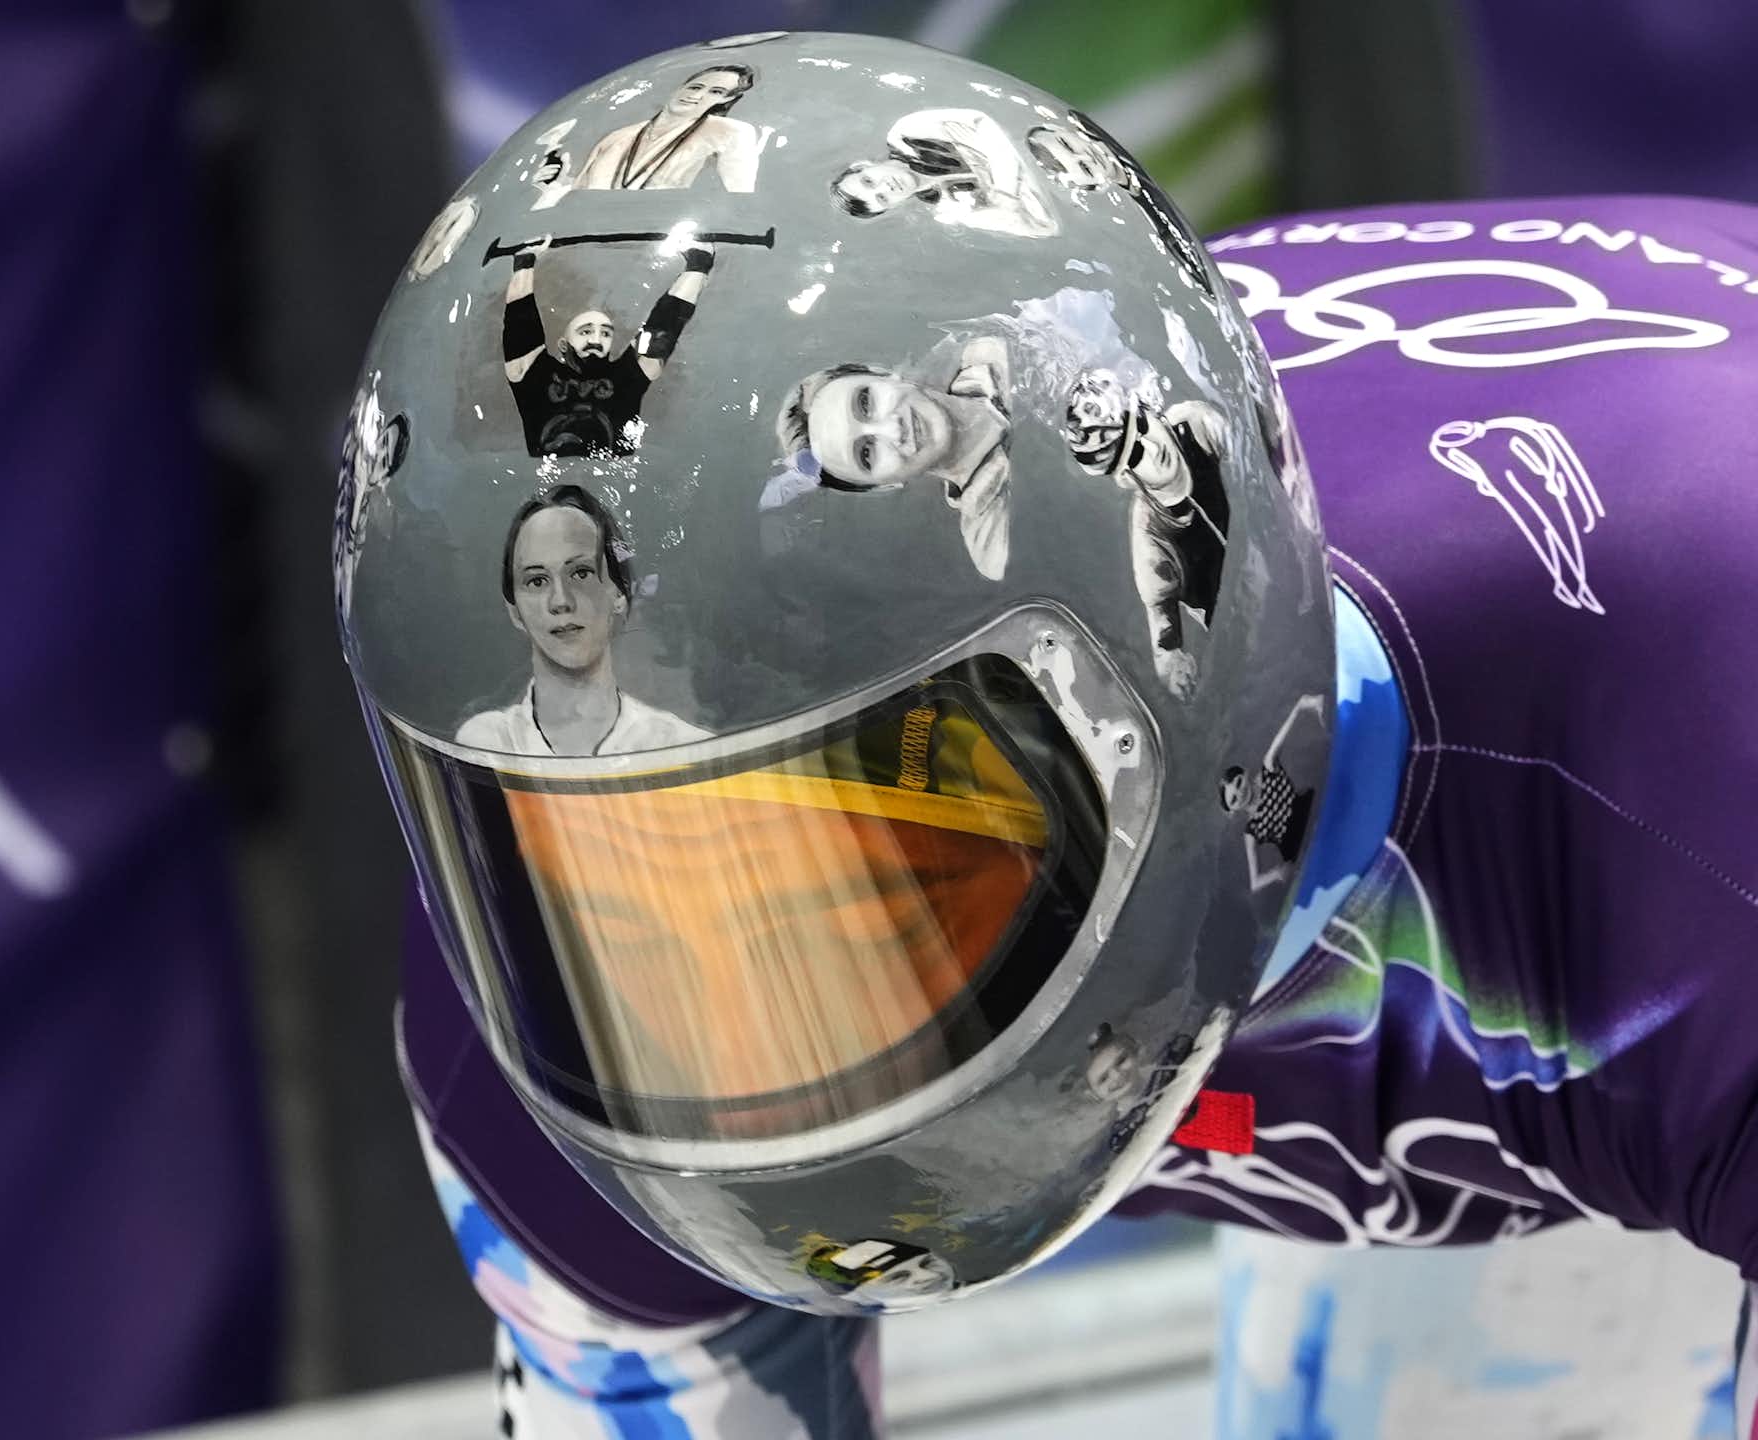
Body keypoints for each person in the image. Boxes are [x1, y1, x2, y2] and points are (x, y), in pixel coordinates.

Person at [342, 35, 1758, 1440]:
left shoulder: (1702, 794)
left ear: (1167, 685)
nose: (731, 1026)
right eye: (624, 893)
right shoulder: (531, 882)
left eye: (891, 867)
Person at [456, 485, 707, 757]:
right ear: (514, 611)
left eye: (580, 573)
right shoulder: (486, 744)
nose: (560, 601)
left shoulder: (683, 747)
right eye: (537, 581)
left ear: (619, 593)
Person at [775, 337, 1012, 579]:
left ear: (884, 374)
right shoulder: (993, 549)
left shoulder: (993, 349)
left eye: (865, 403)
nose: (893, 429)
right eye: (866, 454)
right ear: (885, 486)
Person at [1064, 370, 1232, 697]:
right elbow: (1164, 638)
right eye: (1135, 454)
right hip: (1235, 621)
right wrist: (1174, 667)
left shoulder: (1196, 425)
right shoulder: (1150, 537)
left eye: (1141, 424)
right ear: (1124, 478)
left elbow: (1256, 477)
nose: (1152, 449)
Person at [501, 238, 713, 457]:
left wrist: (699, 264)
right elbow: (520, 324)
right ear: (563, 344)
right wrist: (525, 264)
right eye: (585, 332)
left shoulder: (626, 376)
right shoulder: (535, 374)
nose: (596, 339)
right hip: (553, 467)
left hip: (613, 468)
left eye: (605, 333)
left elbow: (664, 326)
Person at [830, 108, 1053, 237]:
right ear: (893, 206)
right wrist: (986, 157)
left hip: (1045, 132)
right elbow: (1043, 227)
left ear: (863, 165)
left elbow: (987, 120)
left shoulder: (907, 133)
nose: (886, 187)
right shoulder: (954, 206)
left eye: (868, 181)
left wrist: (1005, 192)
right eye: (882, 198)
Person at [565, 65, 762, 197]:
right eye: (695, 87)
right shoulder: (617, 137)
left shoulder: (730, 132)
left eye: (716, 91)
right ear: (679, 88)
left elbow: (738, 195)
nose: (697, 95)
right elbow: (577, 196)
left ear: (727, 99)